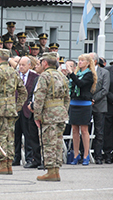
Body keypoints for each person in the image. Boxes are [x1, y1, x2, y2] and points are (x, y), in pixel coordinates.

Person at [0, 48, 27, 175]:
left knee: (0, 136)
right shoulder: (13, 72)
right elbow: (23, 92)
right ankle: (9, 164)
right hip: (11, 109)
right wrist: (18, 106)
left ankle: (3, 164)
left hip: (0, 109)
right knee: (10, 136)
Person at [34, 52, 70, 181]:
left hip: (49, 114)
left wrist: (37, 115)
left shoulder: (45, 76)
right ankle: (56, 170)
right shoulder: (62, 75)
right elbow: (67, 97)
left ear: (45, 63)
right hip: (60, 113)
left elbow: (39, 97)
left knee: (49, 142)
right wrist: (63, 110)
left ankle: (50, 171)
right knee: (58, 143)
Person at [65, 54, 97, 166]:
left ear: (88, 63)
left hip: (84, 104)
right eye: (79, 60)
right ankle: (76, 154)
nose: (80, 62)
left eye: (82, 60)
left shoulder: (89, 75)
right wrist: (70, 75)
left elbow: (81, 84)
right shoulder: (77, 74)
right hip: (74, 103)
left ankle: (86, 154)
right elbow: (72, 85)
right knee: (74, 129)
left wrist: (71, 73)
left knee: (84, 130)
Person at [13, 57, 39, 168]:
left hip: (27, 109)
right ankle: (16, 158)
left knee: (28, 135)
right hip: (16, 109)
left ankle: (29, 158)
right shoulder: (15, 75)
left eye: (23, 65)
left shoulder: (35, 77)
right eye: (20, 64)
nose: (21, 67)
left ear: (29, 65)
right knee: (15, 135)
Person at [89, 52, 110, 165]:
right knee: (85, 131)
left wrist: (93, 99)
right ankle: (85, 154)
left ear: (95, 61)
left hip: (100, 105)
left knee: (99, 132)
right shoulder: (86, 72)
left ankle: (98, 156)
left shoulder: (104, 72)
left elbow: (105, 89)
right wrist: (88, 99)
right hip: (86, 104)